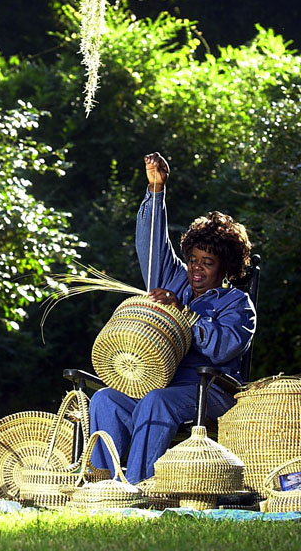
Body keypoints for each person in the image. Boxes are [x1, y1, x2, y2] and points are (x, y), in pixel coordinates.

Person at [89, 152, 257, 484]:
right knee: (105, 398)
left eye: (207, 262)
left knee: (156, 401)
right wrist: (156, 189)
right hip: (159, 386)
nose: (196, 268)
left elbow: (223, 349)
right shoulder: (174, 280)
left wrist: (185, 314)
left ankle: (136, 490)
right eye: (193, 259)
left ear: (224, 267)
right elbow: (151, 245)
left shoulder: (237, 303)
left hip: (209, 392)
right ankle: (102, 485)